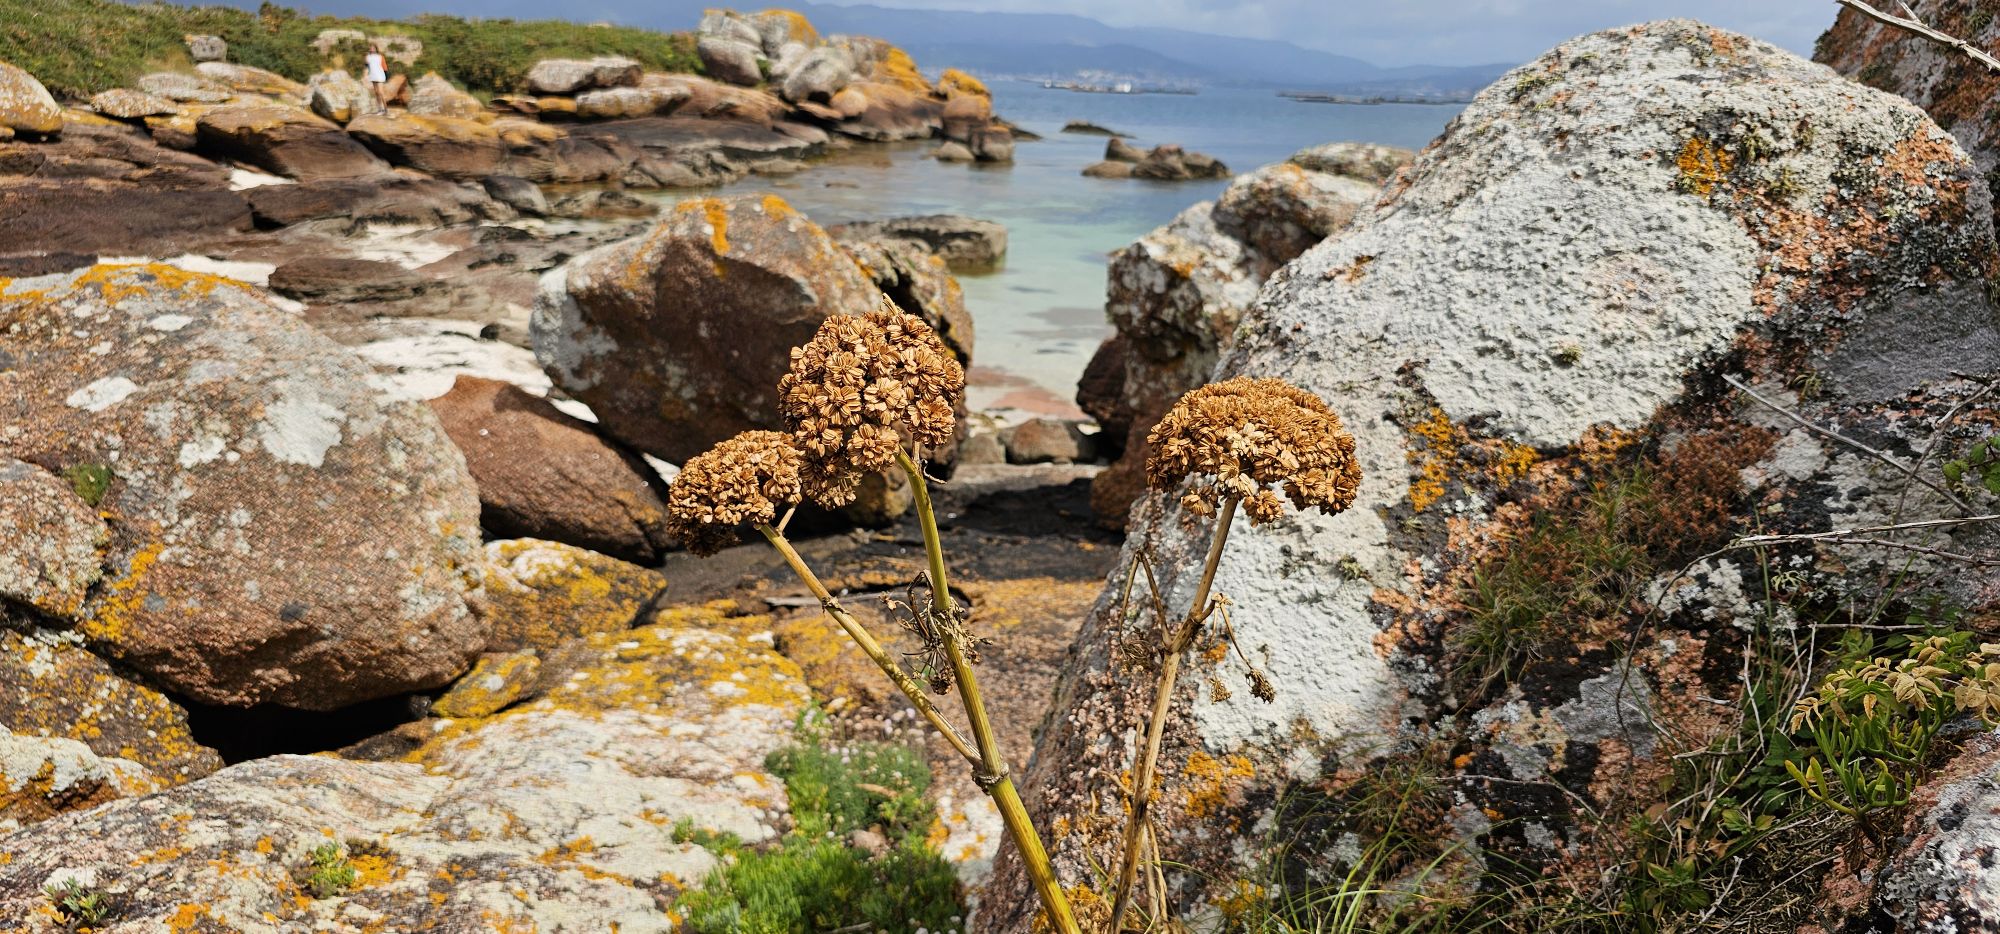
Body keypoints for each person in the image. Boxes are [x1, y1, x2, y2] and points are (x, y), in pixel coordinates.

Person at [364, 43, 389, 114]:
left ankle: (386, 109)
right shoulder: (367, 57)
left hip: (380, 75)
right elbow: (366, 66)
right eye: (371, 48)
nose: (372, 49)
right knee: (376, 93)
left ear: (376, 49)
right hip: (372, 75)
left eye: (373, 48)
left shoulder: (380, 56)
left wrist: (387, 76)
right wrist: (365, 75)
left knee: (381, 92)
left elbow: (385, 67)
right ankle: (380, 109)